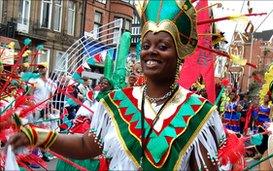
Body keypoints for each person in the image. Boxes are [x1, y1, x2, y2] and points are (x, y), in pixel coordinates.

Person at [9, 1, 226, 170]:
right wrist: (37, 136)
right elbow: (87, 145)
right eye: (146, 45)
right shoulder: (115, 103)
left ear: (179, 54)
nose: (151, 51)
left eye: (163, 46)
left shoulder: (200, 114)